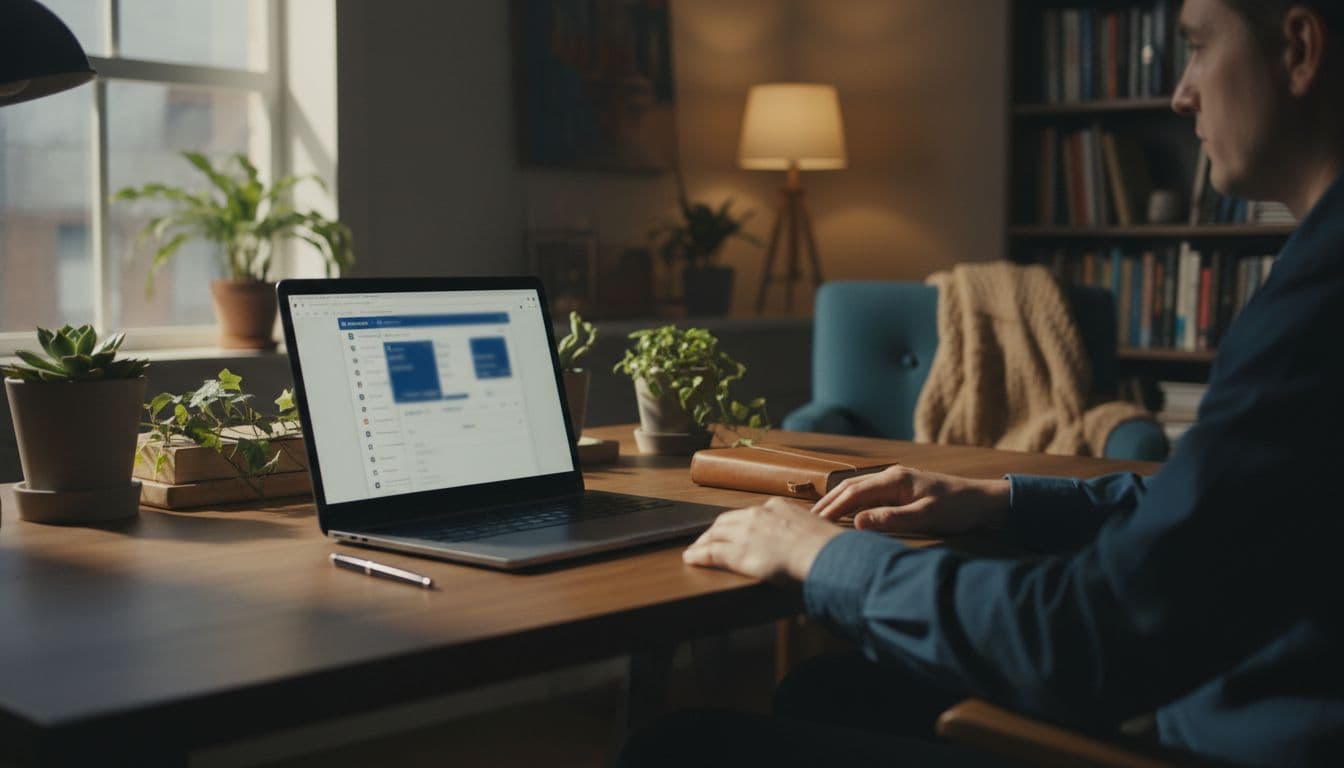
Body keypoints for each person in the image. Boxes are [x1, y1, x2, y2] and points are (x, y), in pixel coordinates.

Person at [619, 1, 1344, 765]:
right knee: (832, 690)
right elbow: (1226, 516)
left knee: (682, 746)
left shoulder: (1315, 312)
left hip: (1210, 737)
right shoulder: (1309, 273)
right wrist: (1004, 497)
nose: (1181, 93)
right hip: (1217, 693)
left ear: (1298, 49)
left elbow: (1076, 640)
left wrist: (823, 556)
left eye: (1197, 47)